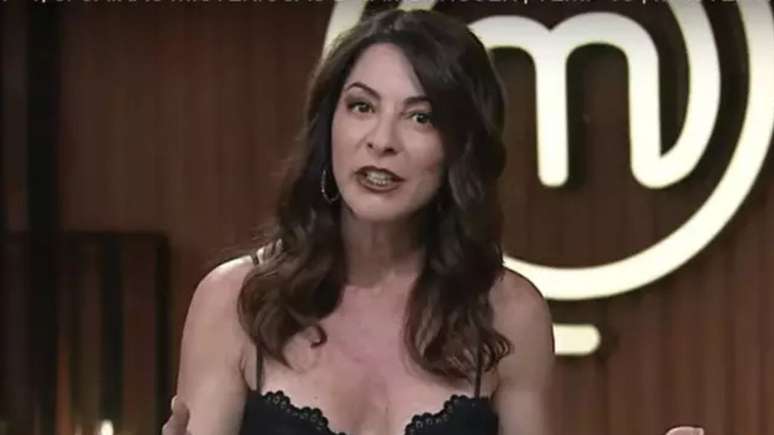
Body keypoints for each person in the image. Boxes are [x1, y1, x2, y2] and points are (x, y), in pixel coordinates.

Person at [163, 8, 554, 435]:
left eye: (420, 117)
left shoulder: (510, 314)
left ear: (460, 147)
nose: (382, 141)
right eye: (361, 106)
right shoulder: (236, 301)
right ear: (329, 124)